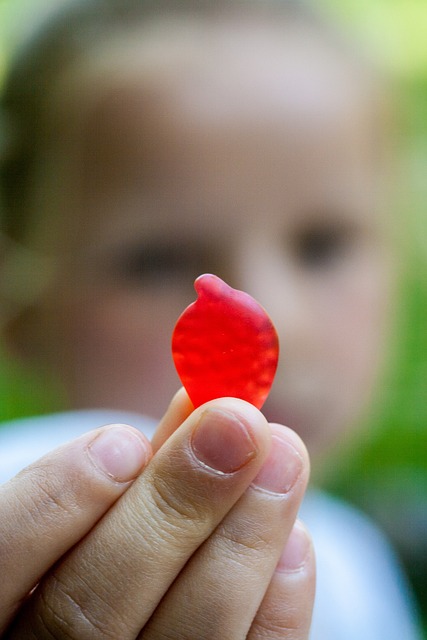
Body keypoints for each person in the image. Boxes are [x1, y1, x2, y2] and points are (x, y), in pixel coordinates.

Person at [0, 0, 422, 637]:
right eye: (157, 260)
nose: (277, 316)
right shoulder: (23, 486)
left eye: (323, 245)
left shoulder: (353, 554)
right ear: (19, 307)